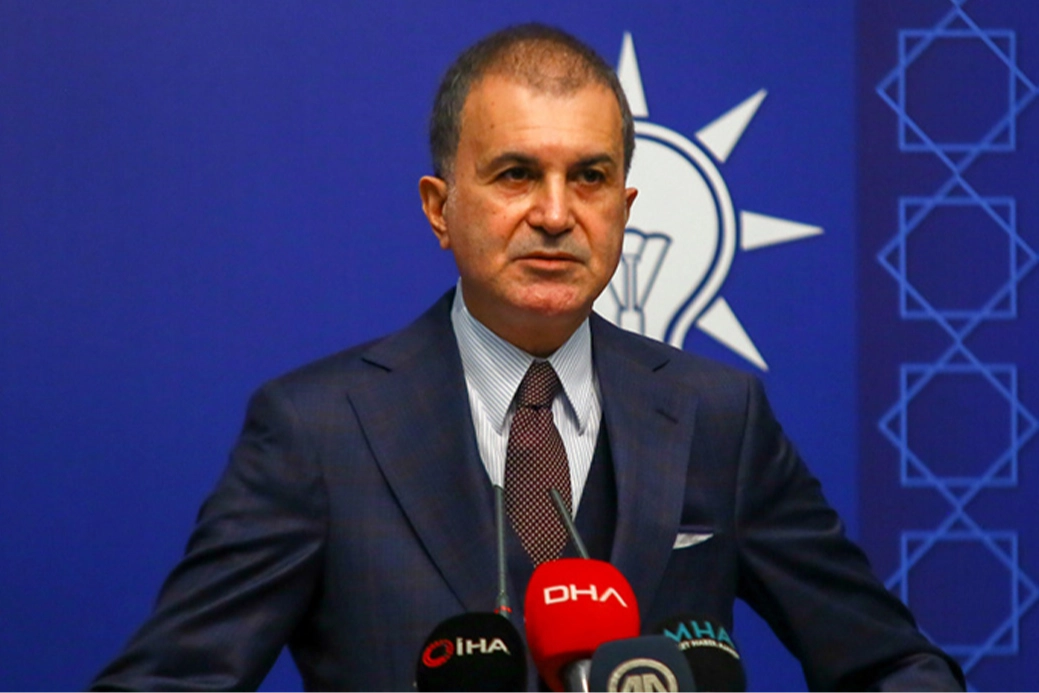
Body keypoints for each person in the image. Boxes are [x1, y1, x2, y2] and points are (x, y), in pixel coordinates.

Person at [89, 23, 965, 692]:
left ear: (624, 208)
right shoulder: (316, 431)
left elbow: (893, 663)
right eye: (515, 174)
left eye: (589, 177)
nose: (554, 213)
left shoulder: (718, 418)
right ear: (439, 208)